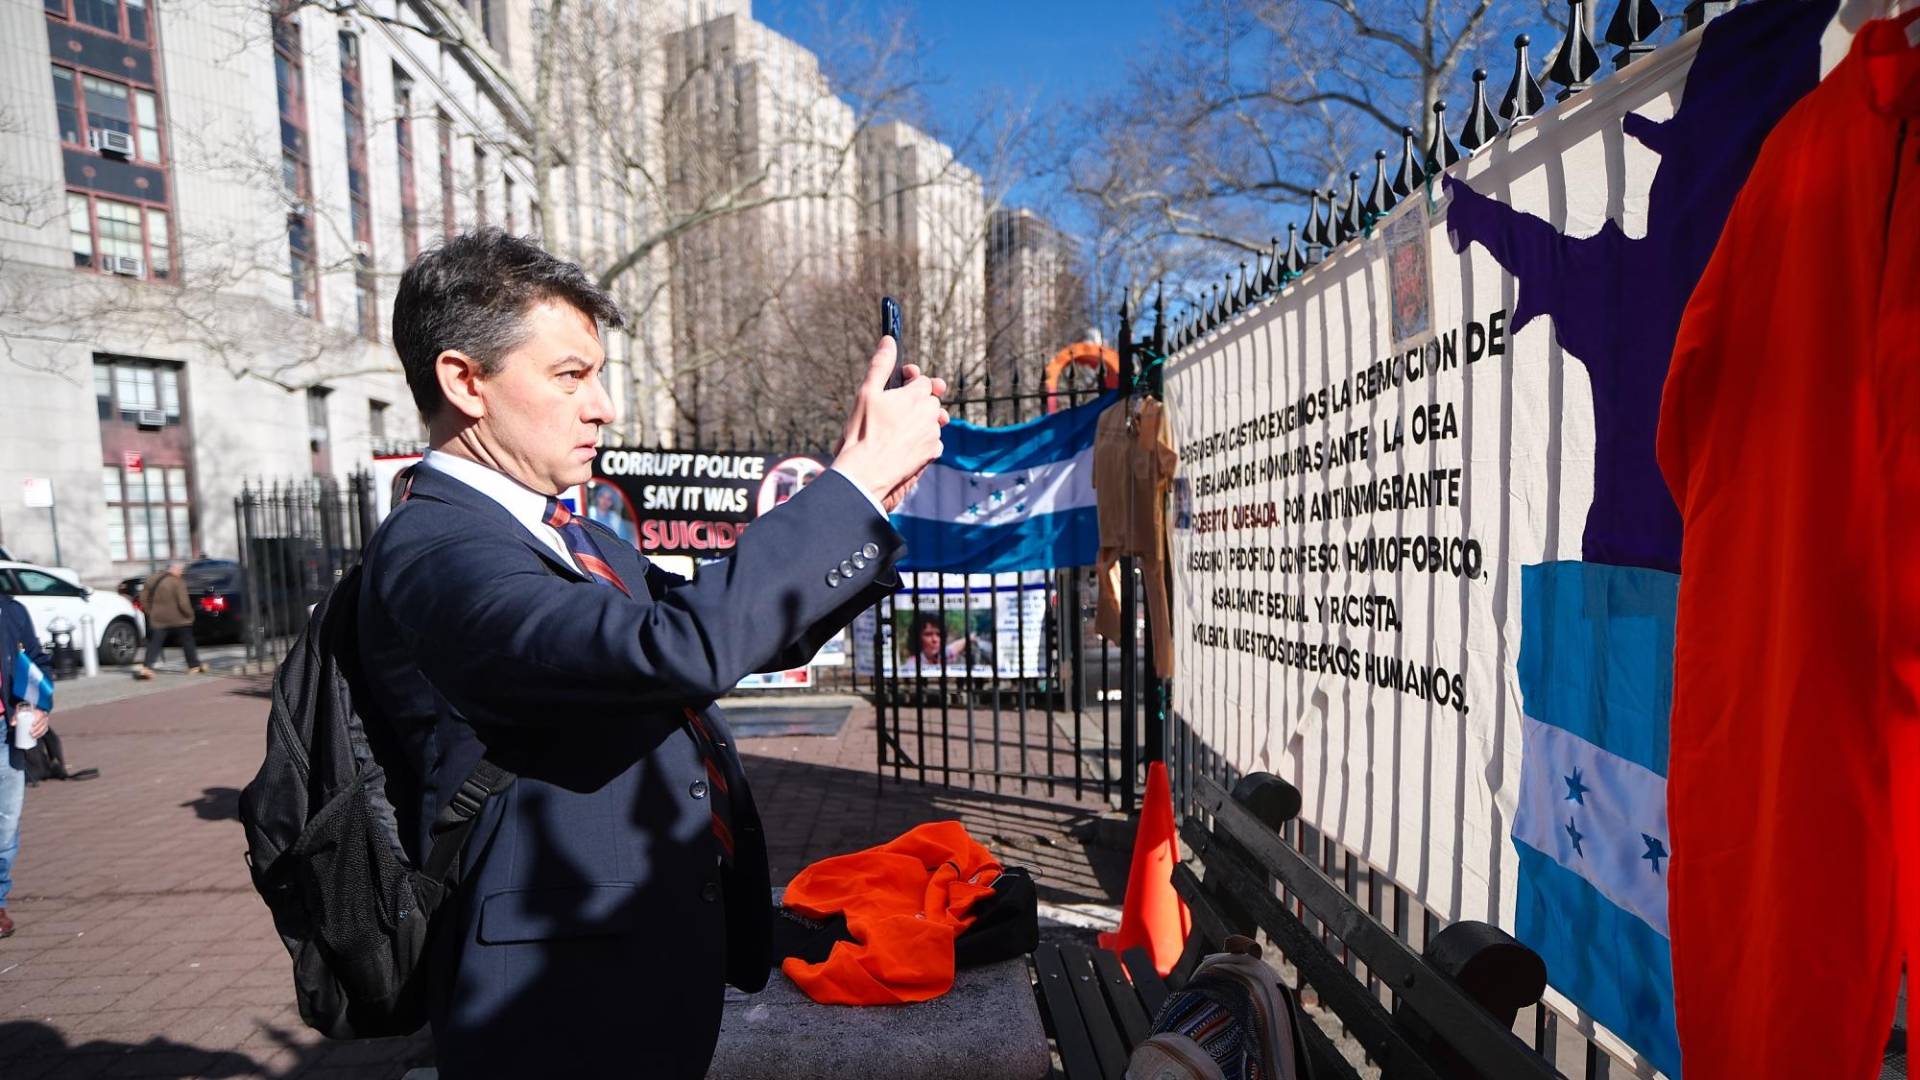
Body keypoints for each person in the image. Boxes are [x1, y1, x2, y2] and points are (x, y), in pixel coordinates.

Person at [356, 229, 946, 1078]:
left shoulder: (579, 533)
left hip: (640, 961)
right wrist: (845, 489)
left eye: (598, 374)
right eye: (570, 375)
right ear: (464, 381)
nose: (603, 406)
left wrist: (868, 502)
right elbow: (676, 650)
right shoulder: (436, 545)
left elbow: (726, 627)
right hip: (552, 1000)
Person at [0, 591, 52, 939]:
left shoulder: (10, 610)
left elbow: (34, 664)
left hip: (7, 730)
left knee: (6, 822)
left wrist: (38, 707)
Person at [135, 561, 203, 679]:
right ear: (175, 569)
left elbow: (143, 597)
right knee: (187, 641)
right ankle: (193, 665)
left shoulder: (152, 579)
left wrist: (149, 611)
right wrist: (190, 614)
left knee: (155, 643)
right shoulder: (177, 582)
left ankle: (147, 667)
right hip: (179, 618)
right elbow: (183, 602)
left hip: (158, 618)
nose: (181, 573)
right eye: (181, 570)